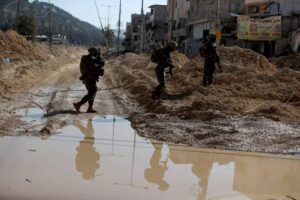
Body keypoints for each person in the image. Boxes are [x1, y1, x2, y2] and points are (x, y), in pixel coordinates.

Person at [73, 47, 105, 113]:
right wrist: (99, 64)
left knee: (91, 92)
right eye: (96, 53)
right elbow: (98, 69)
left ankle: (89, 108)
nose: (97, 54)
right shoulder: (91, 59)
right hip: (89, 78)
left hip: (87, 78)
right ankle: (78, 104)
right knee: (93, 91)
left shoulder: (86, 58)